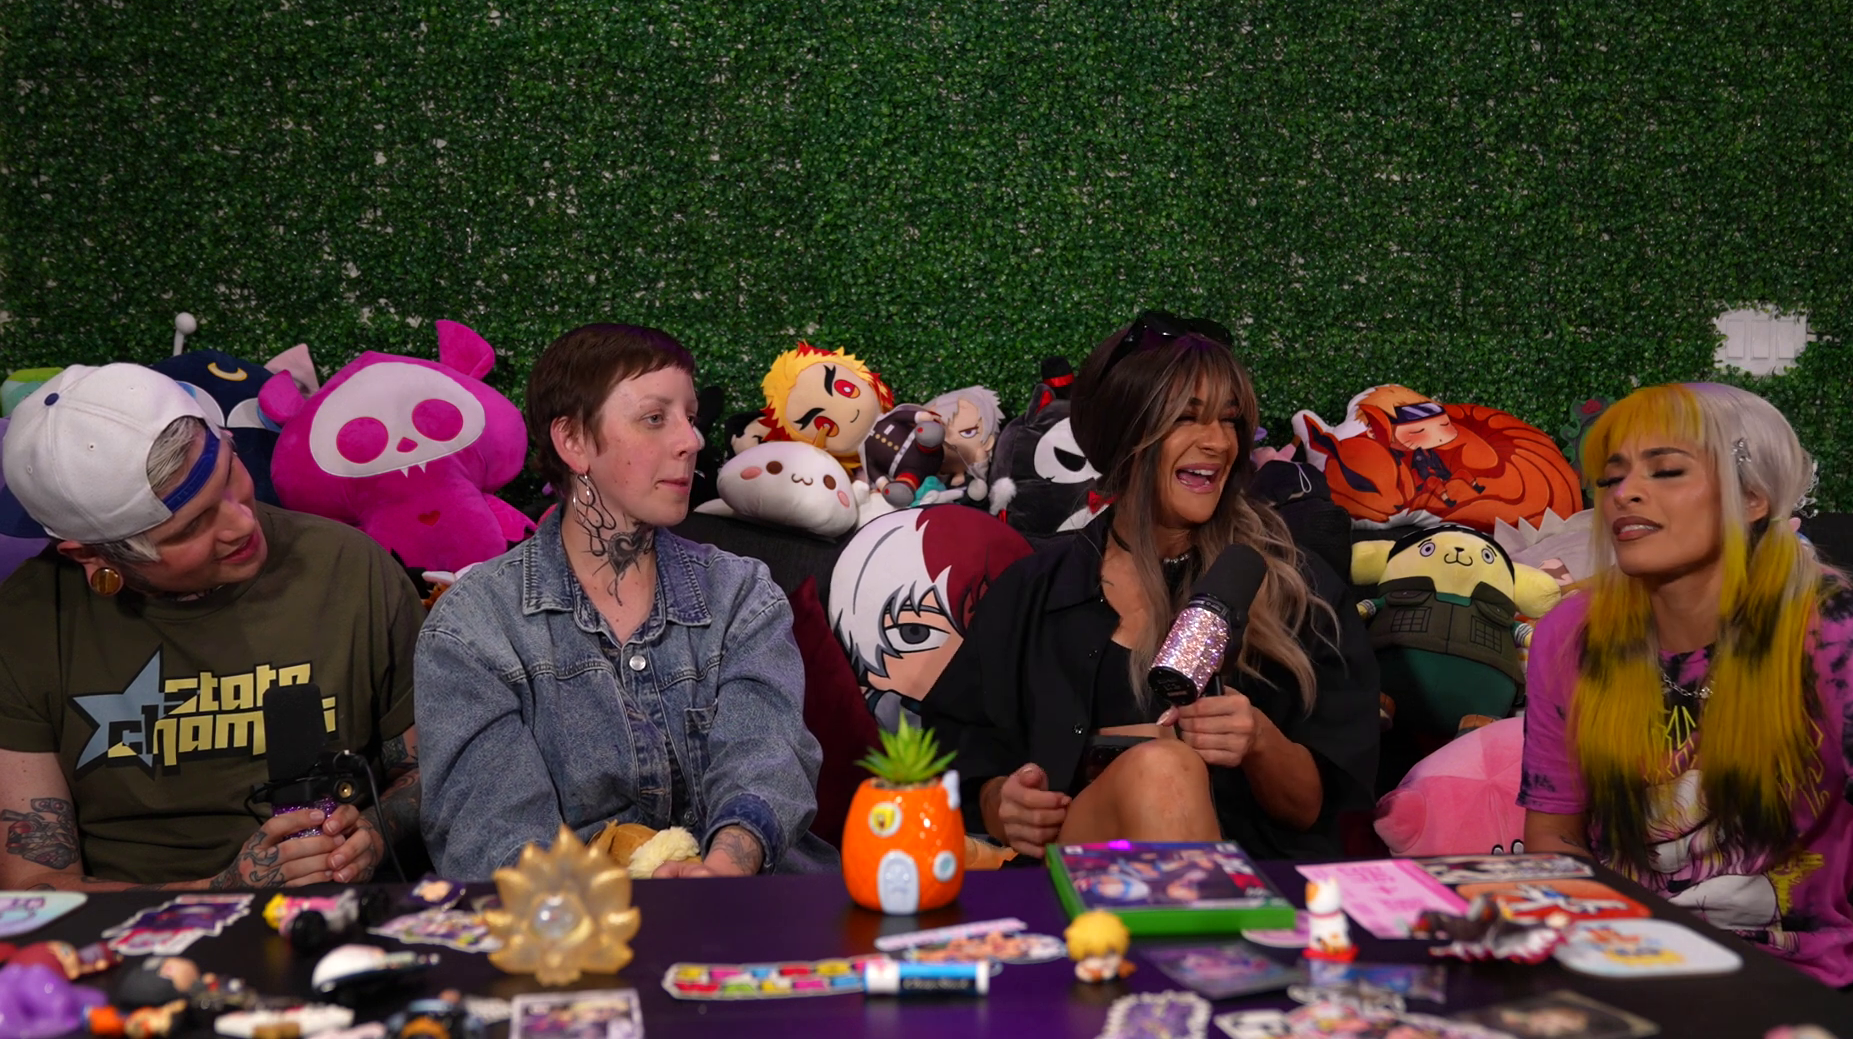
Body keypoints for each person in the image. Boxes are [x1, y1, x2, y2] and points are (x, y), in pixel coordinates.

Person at [919, 311, 1380, 860]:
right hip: (1076, 882)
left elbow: (1317, 810)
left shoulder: (1296, 587)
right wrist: (1002, 802)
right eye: (1186, 417)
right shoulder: (1032, 591)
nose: (1218, 442)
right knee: (1162, 768)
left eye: (1230, 420)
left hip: (1263, 876)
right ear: (1126, 434)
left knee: (1163, 769)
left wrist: (1259, 740)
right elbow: (955, 759)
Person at [1520, 382, 1853, 987]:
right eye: (1611, 478)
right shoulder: (1570, 633)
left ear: (1753, 497)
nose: (1625, 493)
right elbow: (1554, 838)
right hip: (1612, 965)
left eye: (1666, 471)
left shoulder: (1828, 624)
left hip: (1777, 982)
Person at [417, 324, 836, 880]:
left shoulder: (741, 593)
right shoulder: (473, 628)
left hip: (758, 901)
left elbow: (765, 758)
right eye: (655, 418)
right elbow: (497, 832)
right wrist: (632, 905)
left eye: (690, 417)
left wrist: (724, 870)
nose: (691, 440)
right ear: (573, 441)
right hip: (575, 920)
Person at [0, 364, 421, 890]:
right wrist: (222, 891)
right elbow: (35, 886)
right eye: (192, 526)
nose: (241, 523)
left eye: (229, 475)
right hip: (132, 929)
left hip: (345, 914)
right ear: (92, 556)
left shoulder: (349, 567)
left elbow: (431, 772)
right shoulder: (28, 623)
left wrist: (375, 834)